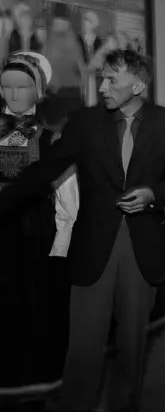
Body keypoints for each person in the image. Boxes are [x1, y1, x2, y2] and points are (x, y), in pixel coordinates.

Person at [0, 48, 165, 412]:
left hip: (141, 252)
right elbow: (44, 171)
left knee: (132, 349)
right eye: (102, 78)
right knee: (83, 350)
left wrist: (153, 195)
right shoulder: (84, 122)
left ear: (139, 85)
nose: (102, 87)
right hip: (92, 250)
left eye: (111, 80)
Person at [0, 52, 70, 388]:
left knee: (36, 302)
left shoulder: (51, 139)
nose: (14, 95)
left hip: (37, 231)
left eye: (23, 86)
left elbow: (67, 198)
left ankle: (38, 377)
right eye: (7, 87)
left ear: (38, 91)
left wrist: (62, 243)